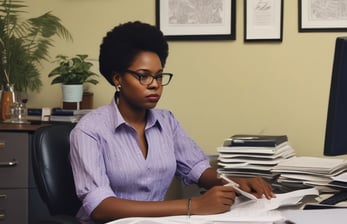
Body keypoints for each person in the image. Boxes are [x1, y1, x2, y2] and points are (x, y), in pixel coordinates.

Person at [69, 20, 275, 224]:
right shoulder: (89, 130)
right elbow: (99, 207)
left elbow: (197, 168)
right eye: (143, 76)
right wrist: (192, 206)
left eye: (159, 77)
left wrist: (235, 182)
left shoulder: (167, 122)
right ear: (117, 79)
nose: (155, 85)